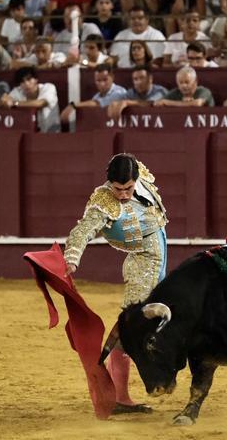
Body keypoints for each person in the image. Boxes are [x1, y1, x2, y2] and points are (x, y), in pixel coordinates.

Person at [64, 152, 168, 415]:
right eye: (117, 189)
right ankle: (119, 396)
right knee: (130, 329)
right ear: (109, 183)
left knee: (147, 322)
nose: (123, 194)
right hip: (143, 265)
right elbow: (82, 231)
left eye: (128, 188)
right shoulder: (103, 202)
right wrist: (72, 259)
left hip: (160, 256)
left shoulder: (139, 172)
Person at [0, 67, 60, 132]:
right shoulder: (17, 91)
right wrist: (4, 100)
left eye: (29, 79)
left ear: (36, 80)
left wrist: (15, 103)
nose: (26, 84)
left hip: (51, 134)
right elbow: (5, 100)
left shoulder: (48, 87)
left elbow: (41, 103)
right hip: (28, 135)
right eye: (22, 81)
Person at [61, 64, 129, 121]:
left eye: (105, 80)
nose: (102, 84)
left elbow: (99, 104)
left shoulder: (120, 92)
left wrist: (73, 105)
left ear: (112, 77)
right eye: (98, 81)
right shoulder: (96, 97)